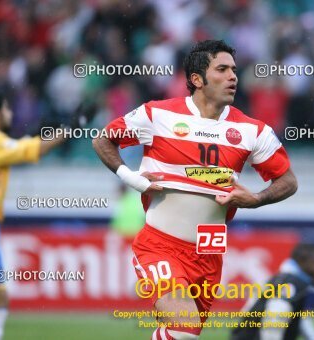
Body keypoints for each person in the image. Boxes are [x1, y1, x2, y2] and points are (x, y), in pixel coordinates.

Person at [92, 40, 297, 339]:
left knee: (183, 334)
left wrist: (255, 199)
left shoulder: (253, 131)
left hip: (209, 253)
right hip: (160, 246)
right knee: (183, 326)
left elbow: (288, 181)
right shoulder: (157, 115)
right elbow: (103, 139)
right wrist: (132, 178)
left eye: (235, 71)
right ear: (197, 79)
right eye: (222, 69)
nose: (233, 77)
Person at [0, 93, 65, 340]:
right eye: (7, 108)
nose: (11, 113)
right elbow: (32, 149)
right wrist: (71, 128)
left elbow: (25, 146)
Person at [231, 244, 314, 340]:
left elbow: (298, 316)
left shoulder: (283, 279)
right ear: (302, 262)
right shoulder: (292, 283)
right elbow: (277, 312)